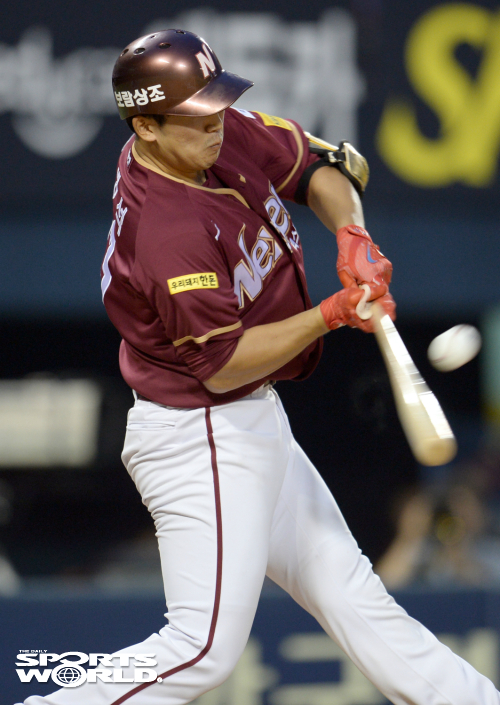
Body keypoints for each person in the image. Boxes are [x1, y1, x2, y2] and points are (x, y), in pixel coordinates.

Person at [20, 29, 500, 705]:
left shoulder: (213, 133)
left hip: (251, 416)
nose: (216, 122)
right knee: (201, 649)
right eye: (195, 115)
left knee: (354, 595)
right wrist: (334, 312)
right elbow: (222, 365)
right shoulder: (165, 228)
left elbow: (319, 166)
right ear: (146, 126)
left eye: (216, 104)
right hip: (200, 434)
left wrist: (353, 234)